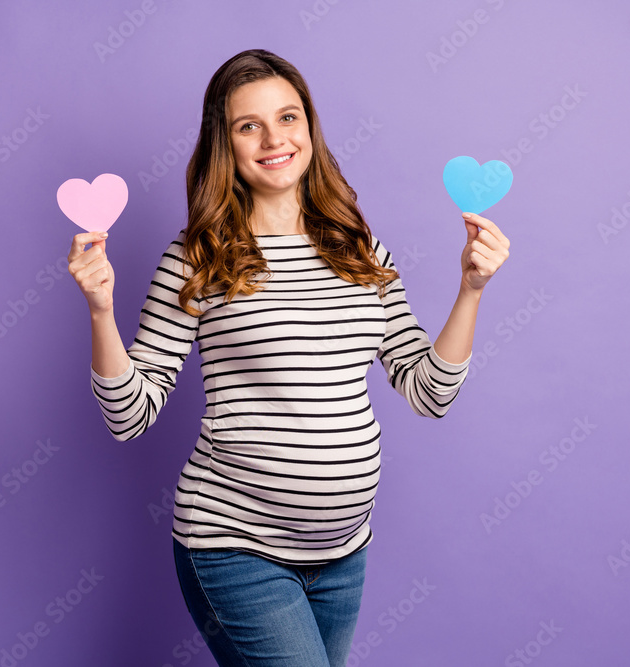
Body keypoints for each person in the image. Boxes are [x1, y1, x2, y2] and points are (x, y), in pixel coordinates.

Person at [67, 49, 509, 667]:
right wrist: (99, 310)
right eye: (250, 125)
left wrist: (470, 289)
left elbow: (429, 391)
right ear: (226, 144)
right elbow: (129, 414)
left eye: (288, 117)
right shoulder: (199, 256)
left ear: (309, 127)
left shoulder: (358, 247)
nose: (275, 139)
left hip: (344, 554)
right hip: (232, 547)